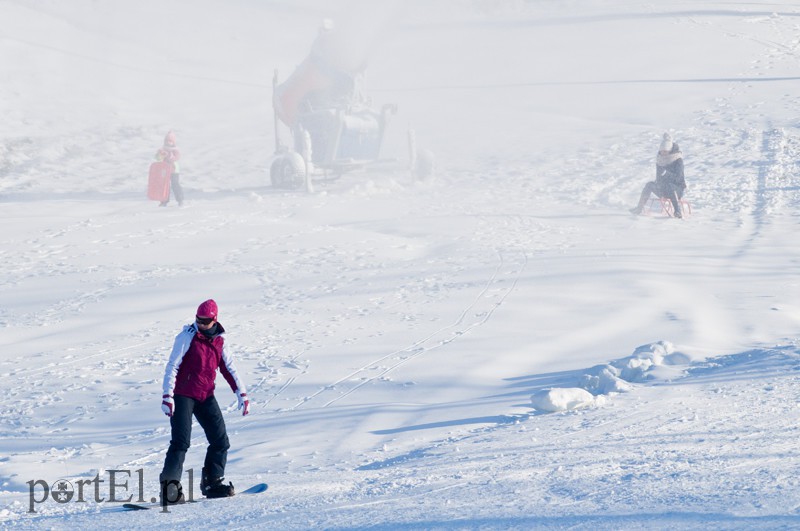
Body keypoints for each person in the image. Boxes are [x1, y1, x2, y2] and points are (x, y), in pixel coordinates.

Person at [159, 299, 250, 506]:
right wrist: (168, 396)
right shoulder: (186, 338)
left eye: (205, 321)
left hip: (206, 396)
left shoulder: (220, 341)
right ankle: (169, 490)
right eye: (198, 320)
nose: (200, 324)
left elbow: (229, 368)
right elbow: (172, 366)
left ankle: (212, 483)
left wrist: (241, 393)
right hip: (183, 395)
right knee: (181, 442)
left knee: (220, 441)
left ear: (214, 320)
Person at [630, 133, 687, 218]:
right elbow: (659, 177)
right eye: (661, 151)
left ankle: (677, 211)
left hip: (677, 190)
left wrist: (666, 174)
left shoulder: (678, 160)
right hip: (663, 189)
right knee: (649, 185)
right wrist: (658, 184)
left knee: (670, 185)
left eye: (665, 151)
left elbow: (678, 178)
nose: (663, 153)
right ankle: (639, 208)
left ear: (670, 150)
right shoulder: (660, 160)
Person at [155, 131, 184, 207]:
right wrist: (160, 154)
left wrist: (169, 155)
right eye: (167, 141)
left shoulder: (175, 150)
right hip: (164, 170)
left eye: (170, 141)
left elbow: (175, 158)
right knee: (164, 185)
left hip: (174, 170)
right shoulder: (162, 149)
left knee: (175, 184)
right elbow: (157, 158)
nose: (168, 142)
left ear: (173, 142)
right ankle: (164, 201)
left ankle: (180, 199)